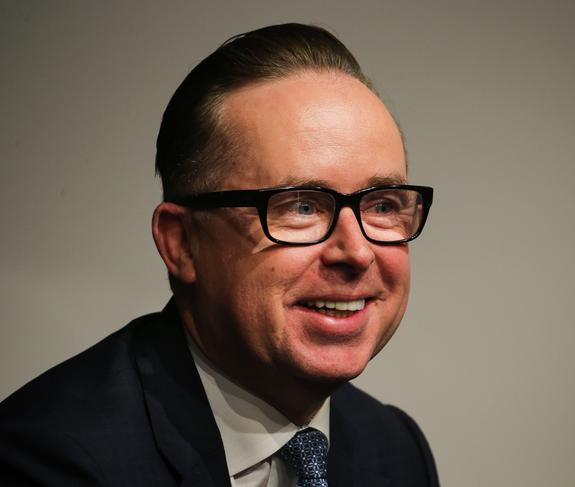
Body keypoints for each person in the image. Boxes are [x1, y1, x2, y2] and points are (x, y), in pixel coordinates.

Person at [0, 23, 439, 486]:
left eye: (383, 205)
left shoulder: (395, 449)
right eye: (302, 206)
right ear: (181, 243)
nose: (357, 252)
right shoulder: (48, 461)